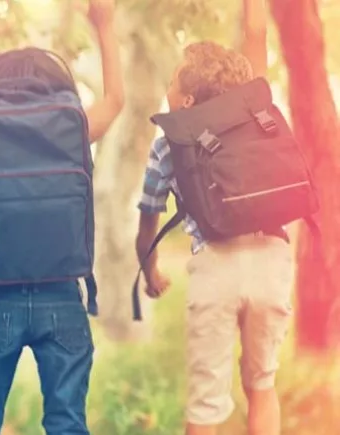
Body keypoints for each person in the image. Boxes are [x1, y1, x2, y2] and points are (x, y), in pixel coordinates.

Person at [0, 0, 124, 433]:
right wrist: (104, 25)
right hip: (61, 295)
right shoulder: (72, 126)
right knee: (67, 422)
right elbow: (114, 99)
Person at [135, 1, 292, 434]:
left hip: (216, 266)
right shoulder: (253, 120)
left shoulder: (169, 143)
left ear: (185, 98)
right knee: (261, 384)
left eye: (171, 80)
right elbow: (256, 35)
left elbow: (149, 218)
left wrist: (150, 270)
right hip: (272, 260)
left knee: (207, 402)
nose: (166, 87)